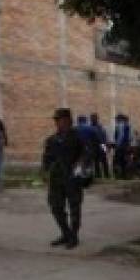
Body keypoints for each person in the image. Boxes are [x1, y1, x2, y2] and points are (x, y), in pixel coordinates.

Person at [42, 107, 85, 249]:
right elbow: (46, 158)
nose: (57, 122)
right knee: (55, 207)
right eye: (56, 120)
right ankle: (65, 233)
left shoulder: (78, 137)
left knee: (74, 208)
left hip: (72, 178)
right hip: (56, 179)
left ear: (68, 120)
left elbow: (86, 155)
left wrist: (78, 169)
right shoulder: (52, 140)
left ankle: (74, 236)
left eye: (59, 119)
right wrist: (44, 172)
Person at [90, 113, 111, 179]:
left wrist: (106, 147)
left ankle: (106, 175)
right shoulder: (92, 127)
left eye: (94, 118)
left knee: (104, 161)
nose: (93, 119)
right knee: (96, 161)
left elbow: (104, 137)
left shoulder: (99, 127)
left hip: (101, 145)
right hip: (96, 146)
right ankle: (98, 175)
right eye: (92, 118)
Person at [112, 113, 132, 179]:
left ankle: (120, 175)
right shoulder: (128, 125)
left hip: (121, 146)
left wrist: (117, 145)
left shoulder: (121, 125)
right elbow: (130, 137)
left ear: (120, 119)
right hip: (126, 145)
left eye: (116, 119)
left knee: (118, 161)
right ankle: (125, 175)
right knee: (124, 161)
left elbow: (121, 136)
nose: (116, 121)